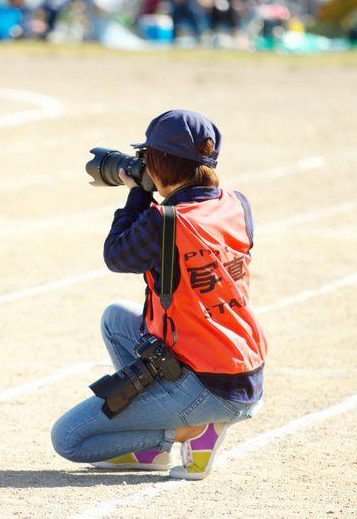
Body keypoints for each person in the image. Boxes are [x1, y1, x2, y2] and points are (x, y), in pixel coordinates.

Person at [51, 110, 267, 480]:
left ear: (160, 163)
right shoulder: (236, 204)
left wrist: (137, 191)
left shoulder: (166, 221)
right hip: (242, 369)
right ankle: (156, 442)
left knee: (70, 438)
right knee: (117, 318)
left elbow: (116, 255)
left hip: (210, 385)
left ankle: (190, 432)